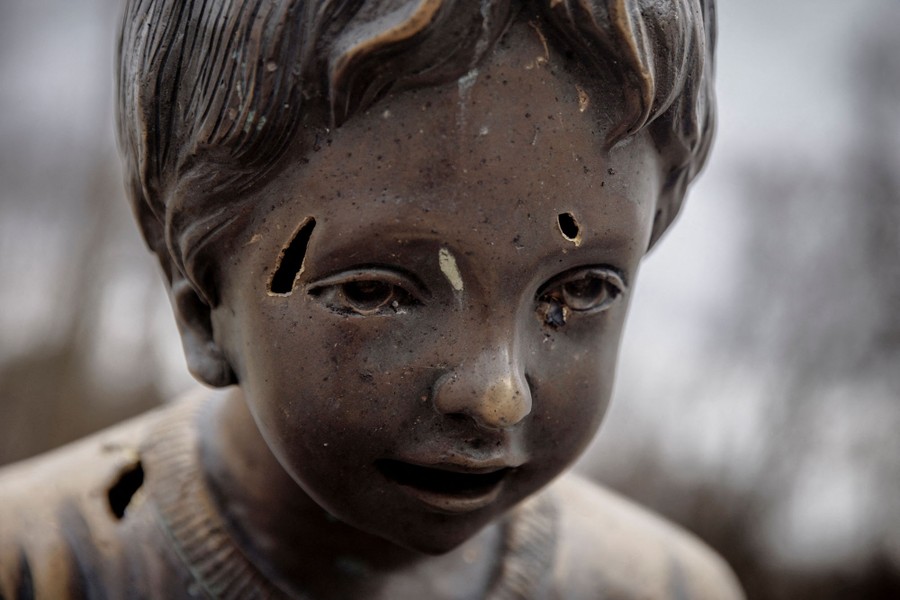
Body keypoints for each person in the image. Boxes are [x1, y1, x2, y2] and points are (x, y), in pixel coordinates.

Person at [0, 1, 744, 598]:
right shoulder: (37, 564)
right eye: (376, 290)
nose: (496, 394)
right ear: (201, 307)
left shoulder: (666, 587)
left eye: (581, 290)